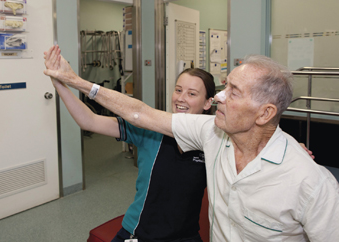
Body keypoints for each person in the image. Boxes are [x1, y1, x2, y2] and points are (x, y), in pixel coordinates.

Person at [44, 47, 339, 241]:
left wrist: (292, 153)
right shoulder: (198, 132)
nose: (222, 98)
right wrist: (68, 81)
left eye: (234, 91)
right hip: (141, 231)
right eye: (178, 90)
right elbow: (137, 113)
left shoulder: (308, 180)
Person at [44, 46, 214, 242]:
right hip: (138, 232)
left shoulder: (213, 139)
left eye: (192, 94)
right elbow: (89, 121)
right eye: (178, 90)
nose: (181, 98)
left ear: (208, 103)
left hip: (185, 236)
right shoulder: (151, 128)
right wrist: (60, 84)